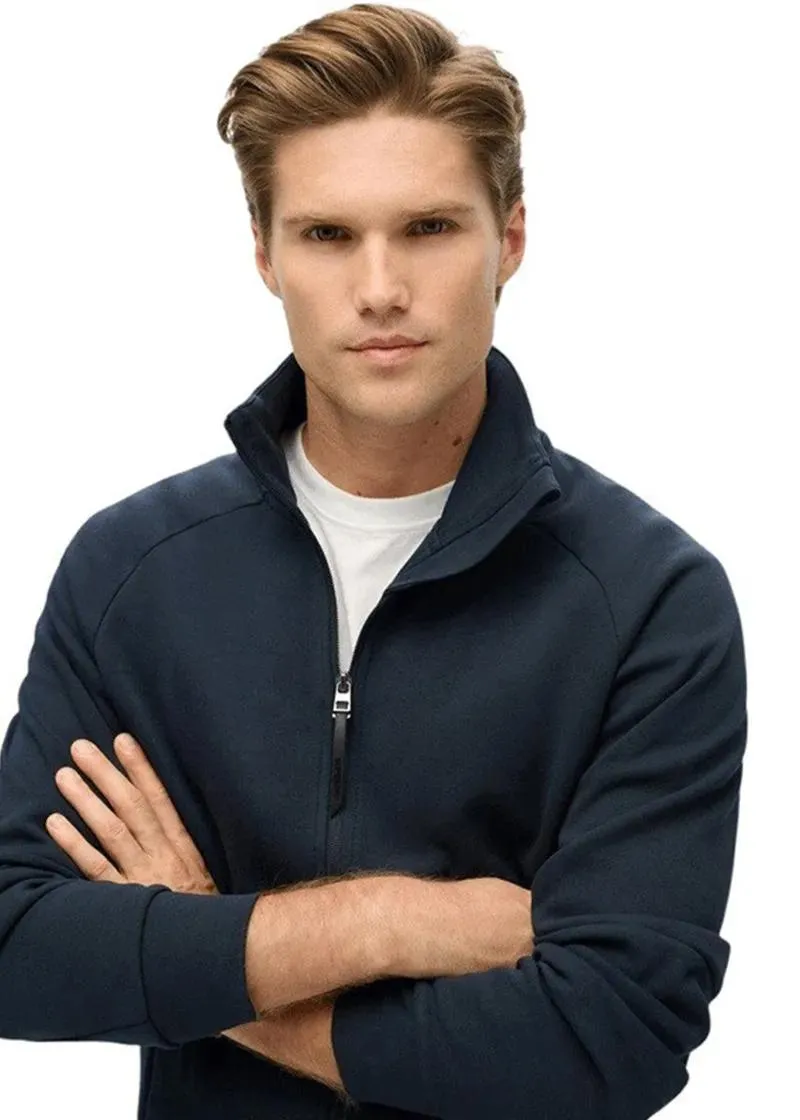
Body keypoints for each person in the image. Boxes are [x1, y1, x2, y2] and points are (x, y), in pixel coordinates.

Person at [0, 4, 747, 1118]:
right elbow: (18, 947)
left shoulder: (650, 599)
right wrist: (388, 921)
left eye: (429, 228)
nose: (382, 287)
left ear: (511, 239)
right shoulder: (133, 572)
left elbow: (611, 1042)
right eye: (327, 235)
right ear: (265, 255)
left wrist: (198, 946)